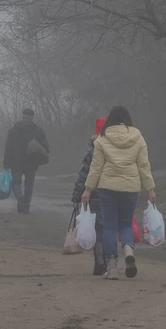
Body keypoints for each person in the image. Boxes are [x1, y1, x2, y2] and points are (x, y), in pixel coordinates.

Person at [82, 106, 156, 280]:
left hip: (107, 187)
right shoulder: (138, 137)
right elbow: (144, 166)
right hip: (130, 187)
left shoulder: (102, 138)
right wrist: (150, 190)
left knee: (109, 227)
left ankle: (113, 268)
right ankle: (128, 250)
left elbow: (96, 168)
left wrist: (87, 189)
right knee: (126, 225)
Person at [72, 118, 107, 276]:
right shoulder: (118, 148)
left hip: (93, 195)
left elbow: (83, 175)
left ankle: (99, 259)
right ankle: (111, 259)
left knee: (98, 227)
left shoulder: (92, 150)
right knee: (109, 227)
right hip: (112, 193)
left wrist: (76, 196)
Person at [3, 108, 49, 214]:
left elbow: (8, 147)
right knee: (29, 185)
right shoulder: (37, 130)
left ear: (22, 116)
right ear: (32, 117)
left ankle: (20, 199)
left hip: (16, 161)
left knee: (16, 183)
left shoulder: (13, 130)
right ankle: (26, 207)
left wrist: (6, 162)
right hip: (32, 162)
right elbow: (45, 147)